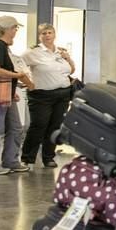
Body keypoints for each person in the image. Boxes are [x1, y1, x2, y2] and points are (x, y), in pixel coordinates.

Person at [0, 16, 33, 175]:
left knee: (16, 128)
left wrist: (12, 90)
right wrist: (18, 76)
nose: (16, 31)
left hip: (6, 94)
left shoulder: (3, 46)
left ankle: (11, 161)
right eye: (15, 28)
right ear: (8, 29)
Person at [20, 23, 75, 168]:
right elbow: (17, 65)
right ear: (39, 36)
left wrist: (68, 58)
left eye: (50, 32)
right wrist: (26, 81)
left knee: (55, 127)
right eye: (44, 33)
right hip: (41, 95)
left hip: (62, 94)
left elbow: (71, 70)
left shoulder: (60, 52)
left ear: (54, 34)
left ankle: (48, 157)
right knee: (39, 126)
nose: (47, 35)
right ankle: (27, 158)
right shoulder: (32, 53)